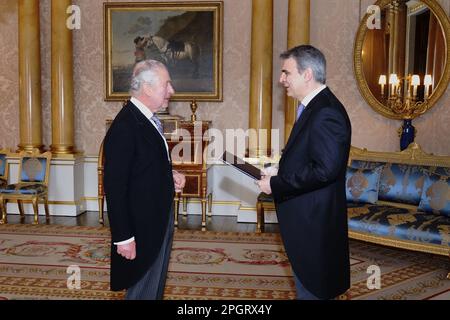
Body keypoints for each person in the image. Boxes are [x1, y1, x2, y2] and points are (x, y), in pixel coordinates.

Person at [257, 45, 352, 300]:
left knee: (313, 290)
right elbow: (313, 158)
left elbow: (324, 171)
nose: (281, 79)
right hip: (309, 218)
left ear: (307, 74)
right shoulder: (314, 107)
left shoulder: (326, 112)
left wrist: (276, 184)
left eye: (286, 73)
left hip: (314, 222)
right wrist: (281, 168)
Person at [103, 59, 185, 300]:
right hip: (141, 228)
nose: (172, 90)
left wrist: (169, 176)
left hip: (155, 222)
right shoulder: (126, 126)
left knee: (153, 288)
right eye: (166, 84)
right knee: (142, 290)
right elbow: (115, 187)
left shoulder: (146, 119)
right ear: (147, 88)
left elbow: (142, 167)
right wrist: (124, 238)